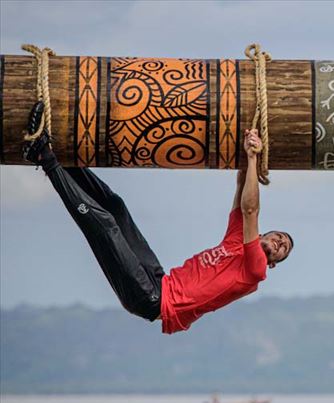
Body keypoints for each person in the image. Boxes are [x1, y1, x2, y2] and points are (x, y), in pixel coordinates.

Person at [22, 101, 293, 334]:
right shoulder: (238, 239)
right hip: (160, 279)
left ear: (274, 264)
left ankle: (43, 155)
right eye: (279, 237)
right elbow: (241, 184)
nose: (280, 243)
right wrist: (249, 148)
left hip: (152, 300)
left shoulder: (255, 270)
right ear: (263, 234)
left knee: (105, 225)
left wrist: (254, 157)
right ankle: (63, 158)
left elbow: (250, 210)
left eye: (283, 250)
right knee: (116, 208)